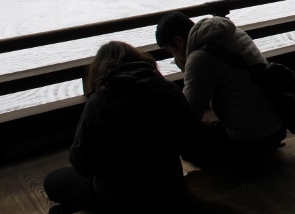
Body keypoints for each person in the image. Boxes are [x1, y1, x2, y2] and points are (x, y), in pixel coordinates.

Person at [44, 41, 199, 214]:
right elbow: (190, 140)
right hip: (169, 185)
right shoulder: (168, 89)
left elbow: (82, 163)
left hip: (119, 194)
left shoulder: (100, 102)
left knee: (53, 182)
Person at [155, 13, 287, 158]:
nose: (174, 56)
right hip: (278, 128)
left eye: (170, 51)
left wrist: (186, 69)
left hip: (251, 139)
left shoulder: (200, 58)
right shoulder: (235, 33)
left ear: (178, 41)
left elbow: (190, 115)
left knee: (184, 139)